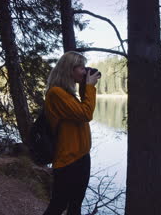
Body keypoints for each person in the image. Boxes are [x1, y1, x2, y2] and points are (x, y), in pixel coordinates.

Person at [43, 51, 101, 215]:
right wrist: (89, 86)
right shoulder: (56, 93)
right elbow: (85, 114)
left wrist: (85, 87)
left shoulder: (68, 94)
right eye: (81, 68)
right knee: (59, 205)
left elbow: (81, 111)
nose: (84, 71)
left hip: (81, 156)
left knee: (75, 206)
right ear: (69, 69)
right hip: (67, 159)